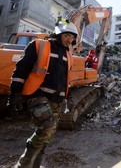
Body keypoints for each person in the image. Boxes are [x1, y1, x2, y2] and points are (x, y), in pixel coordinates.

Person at [6, 20, 78, 167]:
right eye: (66, 35)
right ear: (58, 34)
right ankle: (23, 164)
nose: (69, 39)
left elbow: (66, 79)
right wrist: (15, 94)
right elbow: (21, 69)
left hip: (57, 100)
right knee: (47, 127)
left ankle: (35, 165)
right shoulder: (40, 45)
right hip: (38, 95)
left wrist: (68, 97)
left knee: (48, 136)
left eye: (72, 37)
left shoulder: (68, 54)